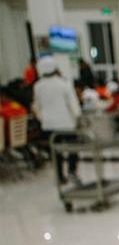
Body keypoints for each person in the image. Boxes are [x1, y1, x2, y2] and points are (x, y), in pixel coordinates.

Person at [31, 56, 82, 185]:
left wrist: (42, 119)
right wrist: (77, 118)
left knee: (56, 151)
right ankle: (72, 171)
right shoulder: (64, 84)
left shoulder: (38, 86)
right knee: (73, 148)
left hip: (49, 125)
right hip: (66, 124)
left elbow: (36, 106)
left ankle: (60, 176)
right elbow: (73, 105)